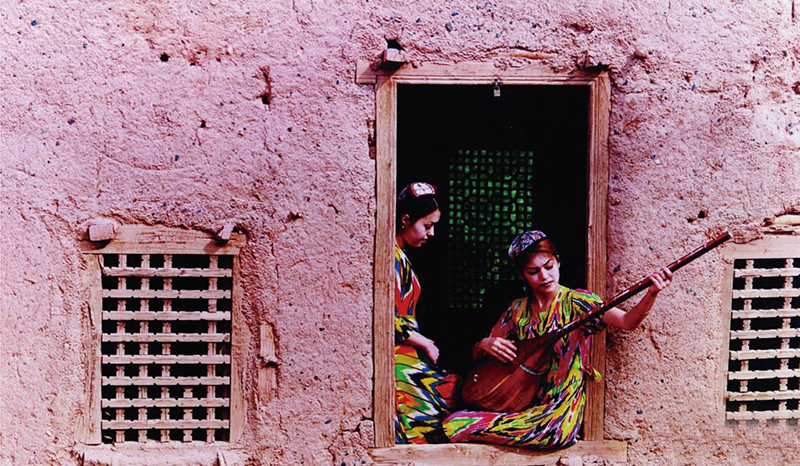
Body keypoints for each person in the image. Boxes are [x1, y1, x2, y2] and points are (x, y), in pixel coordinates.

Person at [443, 230, 671, 448]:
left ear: (558, 262)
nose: (544, 276)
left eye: (549, 266)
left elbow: (626, 321)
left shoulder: (576, 302)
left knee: (460, 425)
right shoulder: (518, 310)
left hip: (558, 417)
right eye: (533, 272)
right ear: (522, 275)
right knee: (454, 420)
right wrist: (484, 344)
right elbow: (481, 361)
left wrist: (651, 294)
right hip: (519, 405)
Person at [394, 182, 460, 444]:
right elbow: (386, 319)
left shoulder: (401, 256)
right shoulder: (392, 258)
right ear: (405, 220)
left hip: (408, 355)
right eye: (427, 226)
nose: (432, 233)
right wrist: (424, 342)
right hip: (398, 359)